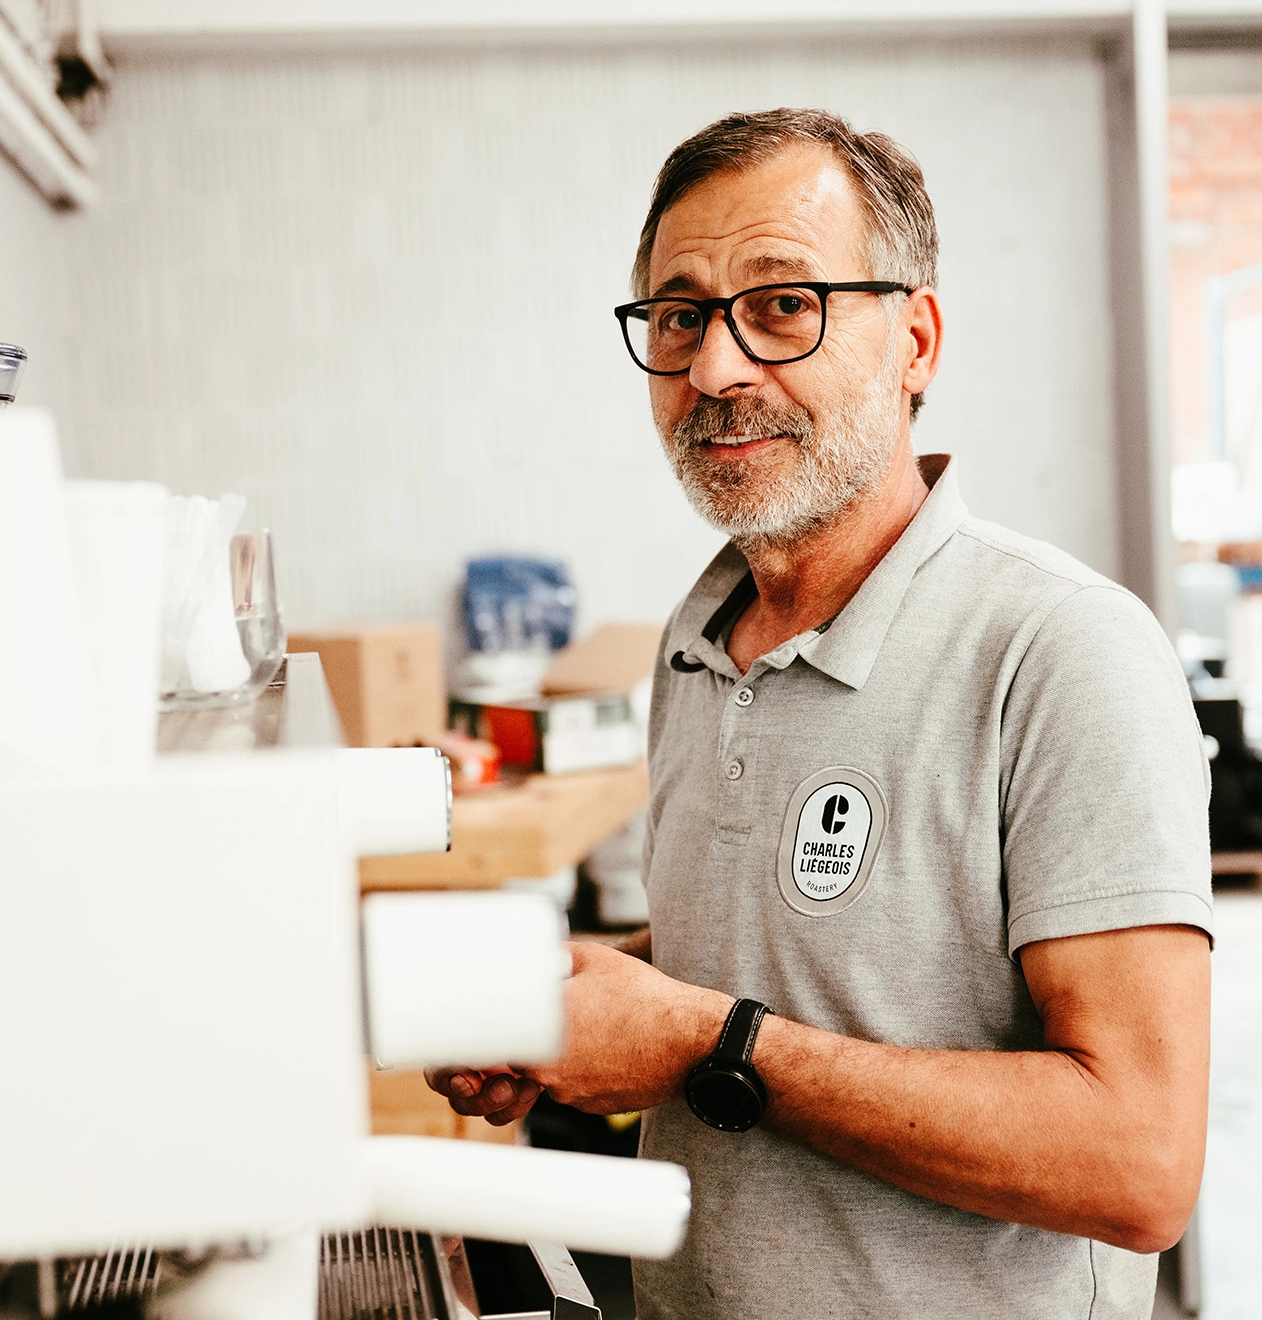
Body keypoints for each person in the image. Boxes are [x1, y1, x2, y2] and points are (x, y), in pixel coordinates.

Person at [427, 108, 1212, 1320]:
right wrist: (575, 1002)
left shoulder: (1062, 649)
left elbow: (1138, 1160)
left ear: (915, 341)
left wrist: (703, 1039)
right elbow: (821, 967)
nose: (715, 367)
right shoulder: (694, 649)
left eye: (782, 303)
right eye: (679, 314)